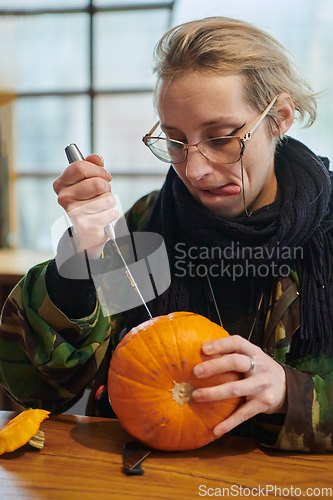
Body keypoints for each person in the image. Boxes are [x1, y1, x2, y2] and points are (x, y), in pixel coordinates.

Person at [1, 17, 333, 453]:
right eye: (175, 143)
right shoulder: (147, 228)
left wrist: (293, 394)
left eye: (221, 138)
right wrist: (78, 264)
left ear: (281, 117)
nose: (195, 171)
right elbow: (37, 391)